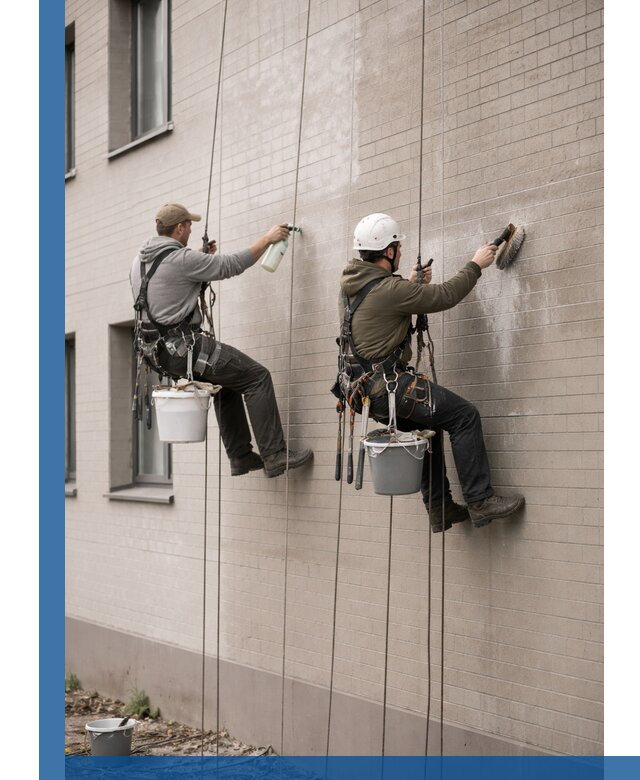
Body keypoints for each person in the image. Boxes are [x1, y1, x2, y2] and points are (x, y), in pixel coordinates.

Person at [339, 213, 524, 531]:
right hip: (389, 386)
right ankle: (480, 501)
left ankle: (440, 508)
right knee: (464, 416)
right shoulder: (389, 290)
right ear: (389, 251)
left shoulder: (353, 287)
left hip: (365, 390)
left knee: (428, 431)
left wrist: (410, 285)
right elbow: (445, 296)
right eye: (397, 246)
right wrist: (476, 265)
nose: (400, 252)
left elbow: (382, 311)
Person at [131, 203, 313, 478]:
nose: (191, 230)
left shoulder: (140, 261)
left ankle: (240, 456)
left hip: (156, 352)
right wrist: (268, 239)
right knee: (256, 377)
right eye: (189, 225)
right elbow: (231, 265)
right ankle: (274, 455)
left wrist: (201, 260)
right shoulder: (182, 260)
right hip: (182, 346)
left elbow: (167, 287)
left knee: (225, 382)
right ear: (179, 228)